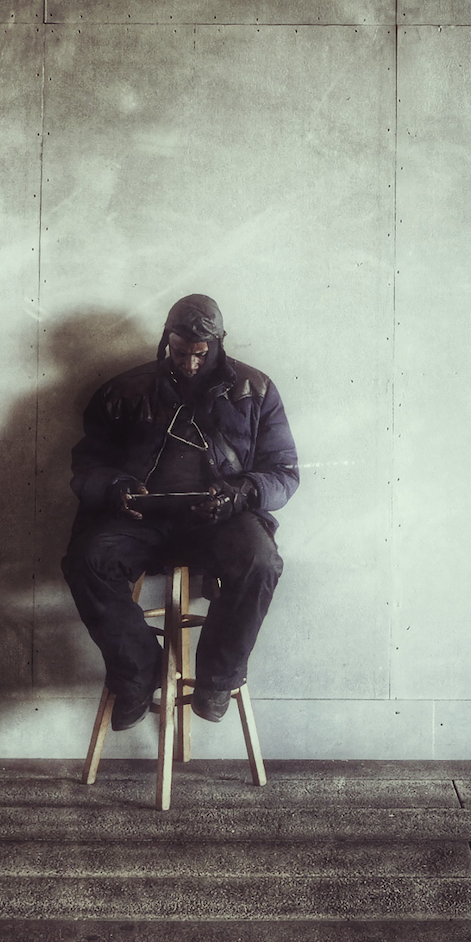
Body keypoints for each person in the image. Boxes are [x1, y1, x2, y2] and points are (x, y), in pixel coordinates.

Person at [62, 295, 298, 730]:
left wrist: (240, 493)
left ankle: (217, 678)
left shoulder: (256, 390)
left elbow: (284, 472)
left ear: (219, 345)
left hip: (221, 519)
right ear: (165, 340)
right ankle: (136, 672)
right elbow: (86, 466)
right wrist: (116, 488)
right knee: (86, 560)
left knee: (261, 562)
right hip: (139, 522)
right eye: (180, 351)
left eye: (200, 354)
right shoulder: (122, 391)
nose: (190, 364)